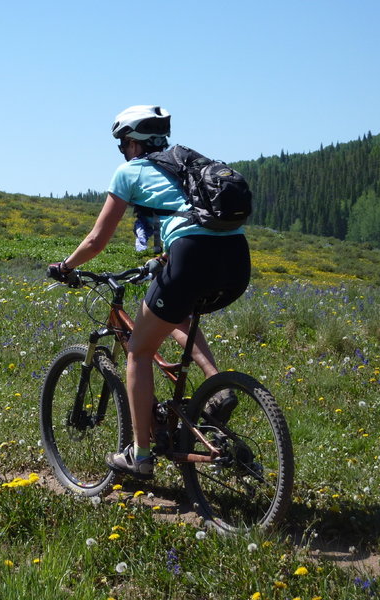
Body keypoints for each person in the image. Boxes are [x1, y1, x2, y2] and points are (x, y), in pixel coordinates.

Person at [48, 105, 251, 480]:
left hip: (191, 256)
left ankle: (140, 456)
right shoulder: (185, 163)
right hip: (237, 260)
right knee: (177, 312)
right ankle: (217, 387)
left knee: (139, 351)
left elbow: (96, 240)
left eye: (123, 143)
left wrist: (66, 267)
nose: (123, 151)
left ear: (133, 142)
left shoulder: (131, 171)